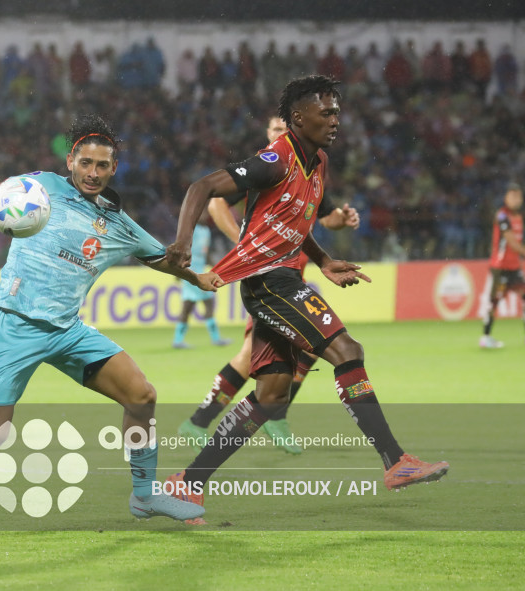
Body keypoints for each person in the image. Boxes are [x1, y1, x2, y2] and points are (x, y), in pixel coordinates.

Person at [164, 76, 449, 517]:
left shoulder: (317, 161)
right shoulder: (275, 159)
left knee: (272, 394)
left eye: (337, 111)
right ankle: (396, 462)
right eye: (327, 112)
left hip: (282, 278)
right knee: (347, 350)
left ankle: (188, 482)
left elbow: (297, 221)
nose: (336, 119)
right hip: (268, 282)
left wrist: (323, 259)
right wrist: (182, 243)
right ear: (299, 118)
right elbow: (201, 188)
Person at [0, 114, 215, 528]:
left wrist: (196, 276)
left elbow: (161, 258)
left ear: (114, 168)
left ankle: (144, 496)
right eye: (86, 163)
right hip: (13, 326)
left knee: (142, 396)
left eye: (102, 166)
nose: (93, 173)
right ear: (71, 160)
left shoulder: (117, 222)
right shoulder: (42, 187)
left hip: (67, 331)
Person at [178, 115, 360, 455]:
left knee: (271, 356)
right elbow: (216, 201)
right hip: (268, 278)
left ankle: (208, 425)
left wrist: (342, 220)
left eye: (284, 130)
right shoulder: (269, 165)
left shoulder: (310, 167)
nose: (282, 135)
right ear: (269, 134)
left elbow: (324, 216)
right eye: (277, 130)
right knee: (275, 354)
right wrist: (248, 246)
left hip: (292, 275)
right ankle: (224, 421)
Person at [172, 209, 233, 349]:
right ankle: (216, 339)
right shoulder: (191, 231)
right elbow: (180, 250)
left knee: (188, 306)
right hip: (191, 272)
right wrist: (177, 271)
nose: (207, 216)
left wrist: (215, 267)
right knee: (208, 303)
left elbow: (205, 253)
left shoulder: (206, 230)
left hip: (199, 271)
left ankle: (178, 340)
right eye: (204, 213)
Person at [480, 182, 525, 349]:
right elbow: (511, 241)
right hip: (500, 268)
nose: (515, 199)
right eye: (512, 195)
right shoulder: (501, 216)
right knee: (495, 302)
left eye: (518, 196)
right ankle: (485, 337)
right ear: (506, 197)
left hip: (515, 268)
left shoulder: (519, 216)